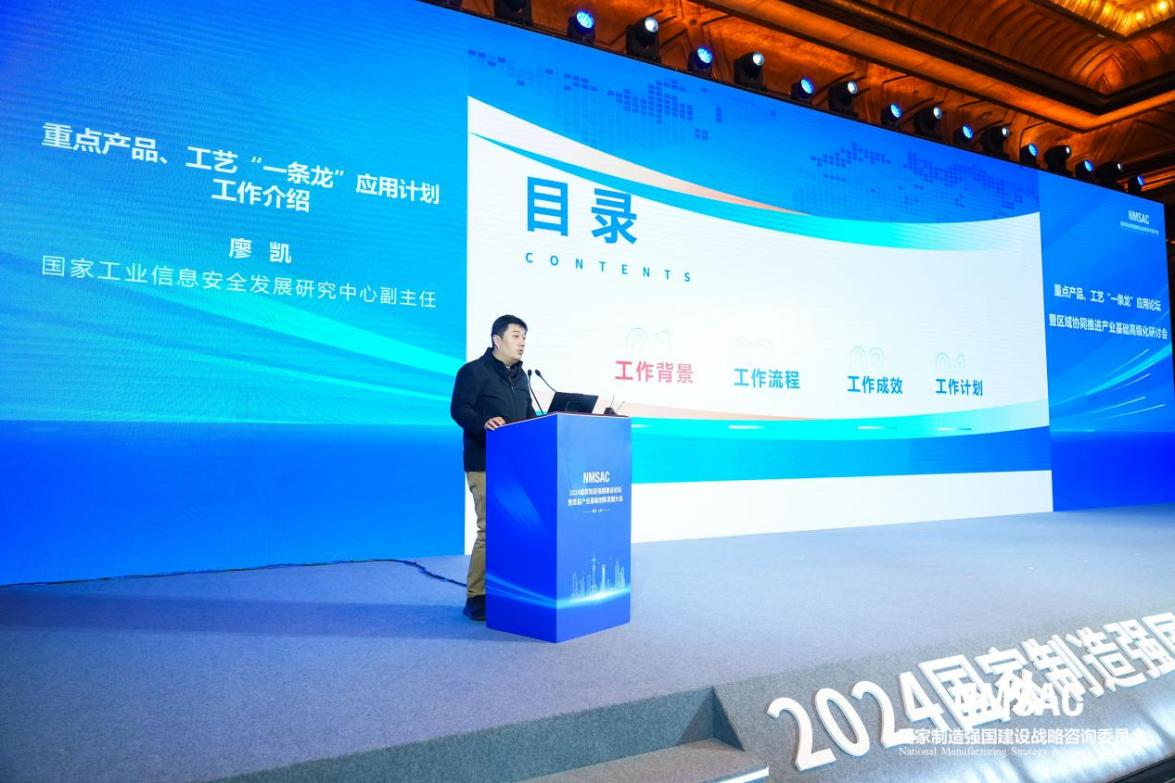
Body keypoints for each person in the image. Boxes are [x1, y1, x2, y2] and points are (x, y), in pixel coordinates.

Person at [450, 315, 537, 621]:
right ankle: (476, 596)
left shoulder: (521, 377)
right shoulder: (473, 371)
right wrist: (483, 423)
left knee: (514, 528)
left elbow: (528, 414)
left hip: (515, 466)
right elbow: (459, 409)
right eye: (516, 336)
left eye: (524, 337)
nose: (522, 342)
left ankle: (506, 588)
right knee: (489, 529)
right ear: (497, 339)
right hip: (484, 461)